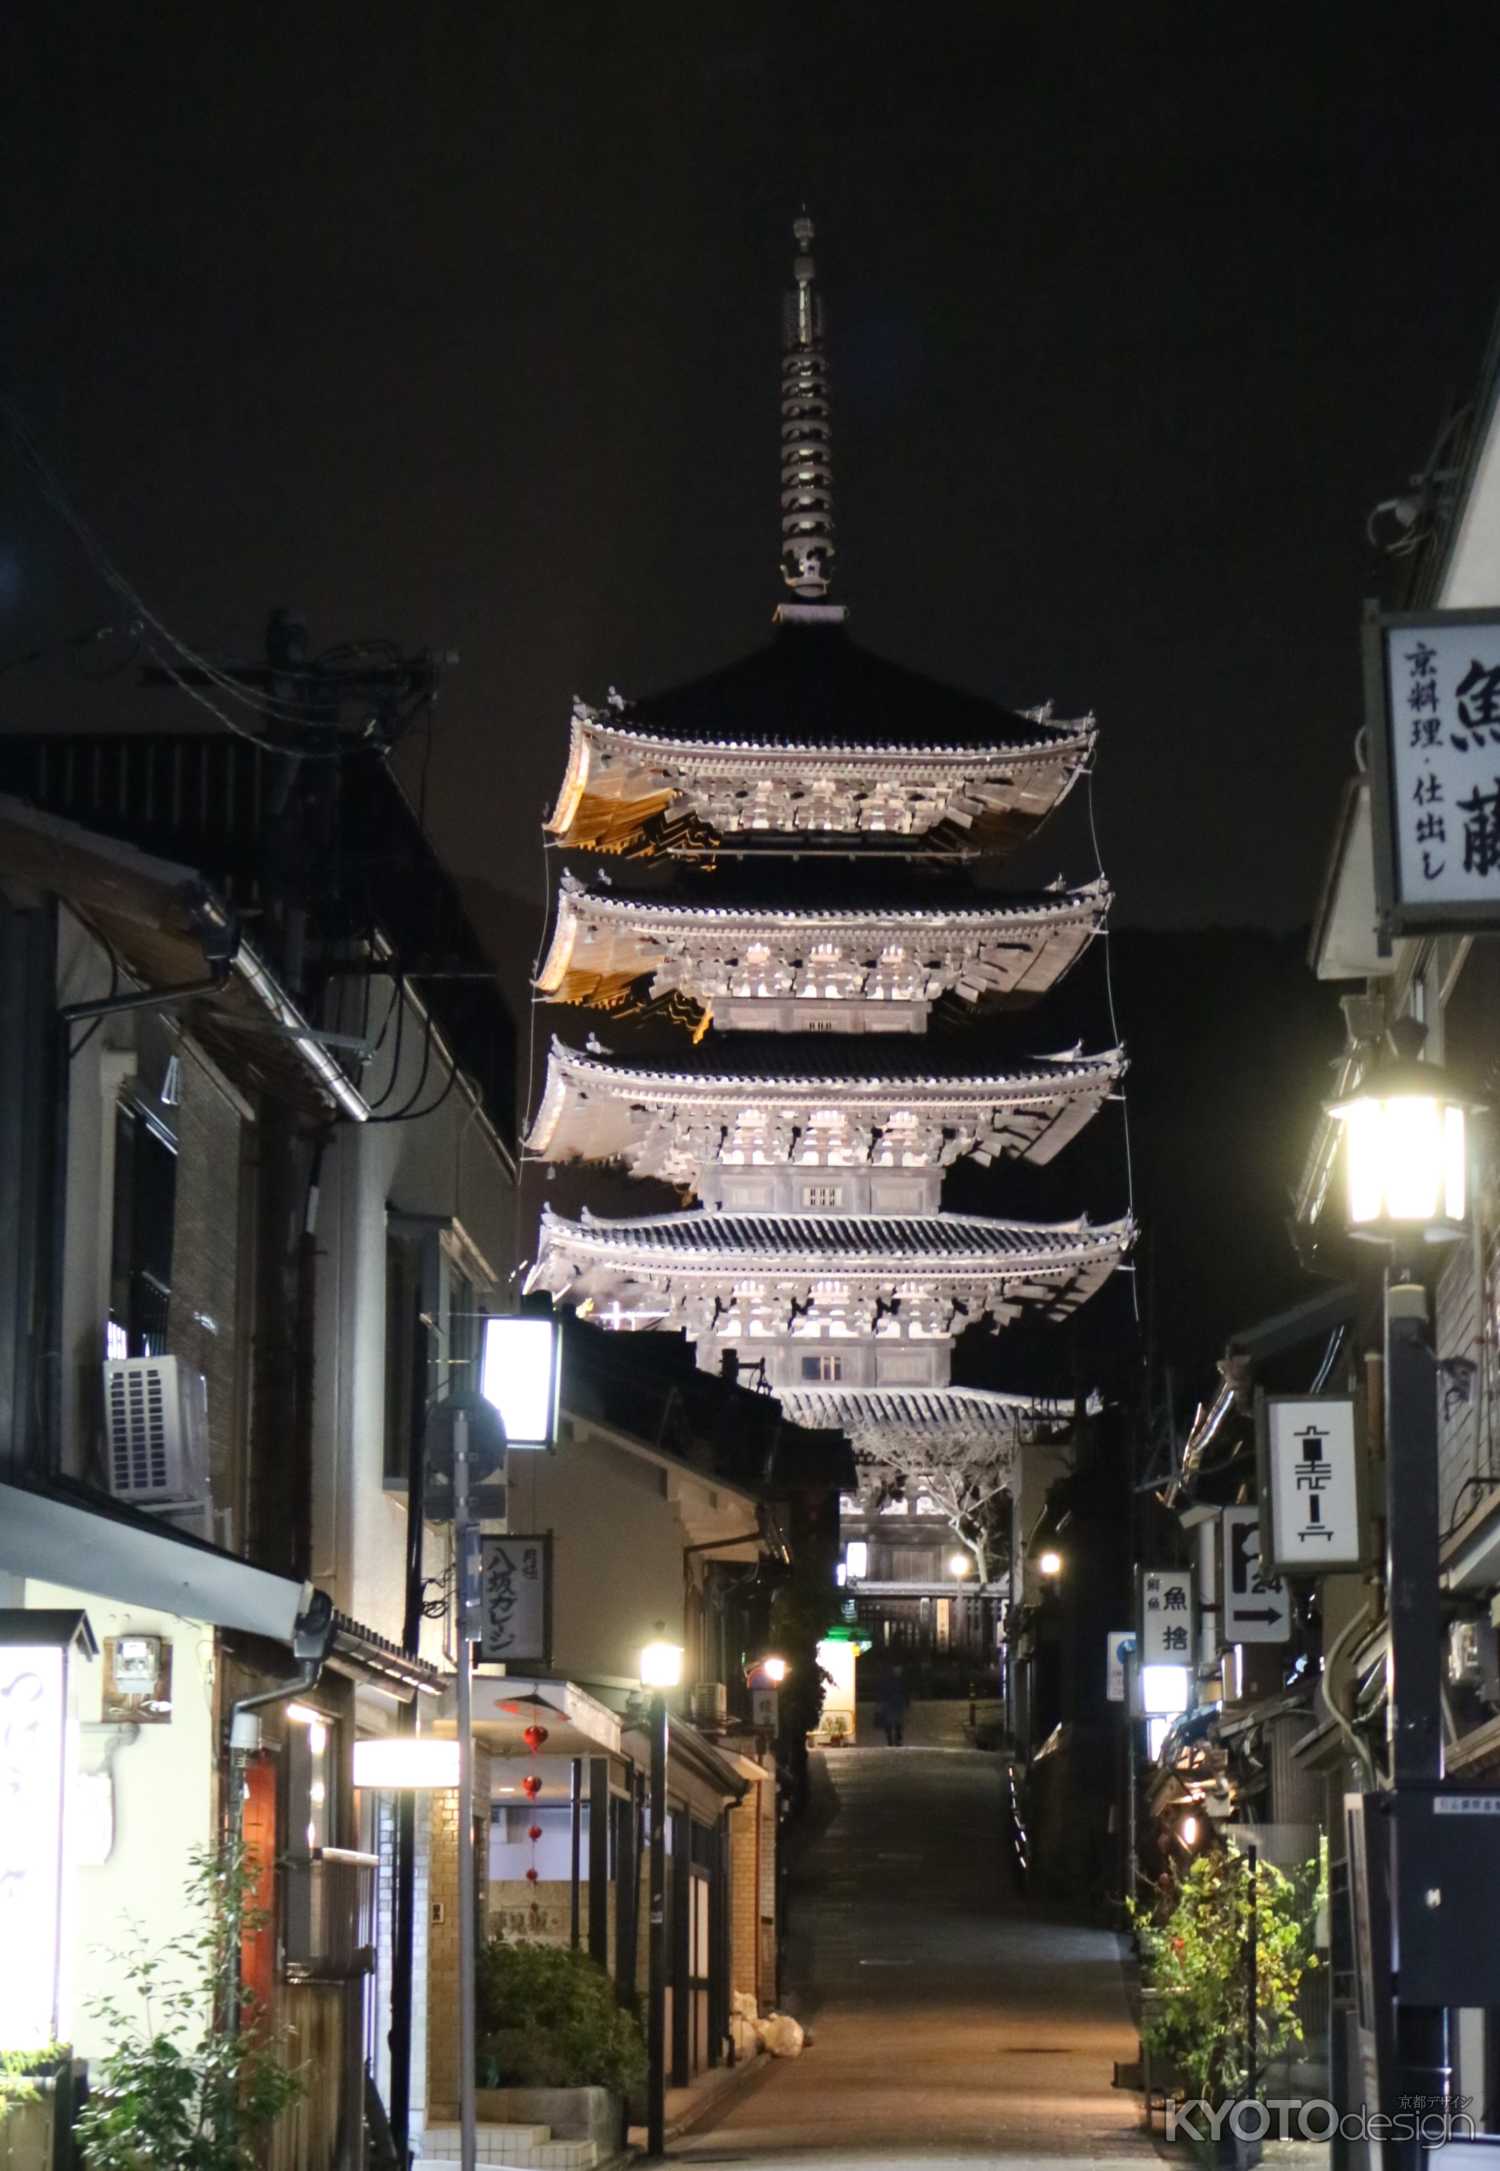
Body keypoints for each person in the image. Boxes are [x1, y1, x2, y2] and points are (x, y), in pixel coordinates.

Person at [874, 1663, 908, 1747]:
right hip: (892, 1702)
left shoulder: (898, 1680)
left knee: (896, 1722)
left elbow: (905, 1691)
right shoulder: (898, 1680)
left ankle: (895, 1739)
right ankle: (894, 1739)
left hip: (895, 1702)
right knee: (892, 1722)